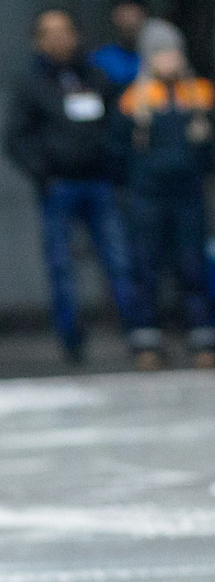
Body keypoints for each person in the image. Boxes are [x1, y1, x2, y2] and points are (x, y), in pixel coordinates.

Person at [4, 9, 151, 366]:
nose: (58, 39)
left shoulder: (96, 76)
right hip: (59, 187)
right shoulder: (31, 84)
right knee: (61, 265)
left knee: (118, 259)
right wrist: (44, 173)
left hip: (100, 183)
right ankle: (71, 340)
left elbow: (120, 124)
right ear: (37, 41)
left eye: (64, 31)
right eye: (49, 33)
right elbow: (15, 138)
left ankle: (139, 333)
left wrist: (113, 164)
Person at [116, 19, 215, 368]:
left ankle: (203, 337)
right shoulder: (134, 98)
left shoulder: (200, 93)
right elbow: (116, 150)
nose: (168, 59)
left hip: (188, 195)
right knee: (145, 266)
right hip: (147, 197)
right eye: (160, 52)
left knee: (193, 266)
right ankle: (146, 340)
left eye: (173, 51)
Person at [91, 0, 149, 86]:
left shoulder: (157, 55)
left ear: (143, 14)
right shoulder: (101, 58)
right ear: (115, 16)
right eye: (124, 10)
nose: (129, 17)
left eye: (132, 9)